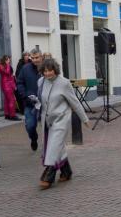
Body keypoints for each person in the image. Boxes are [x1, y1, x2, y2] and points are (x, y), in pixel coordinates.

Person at [38, 58, 90, 190]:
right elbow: (41, 100)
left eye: (50, 70)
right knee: (57, 147)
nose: (48, 73)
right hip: (47, 120)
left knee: (54, 146)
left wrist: (84, 119)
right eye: (45, 71)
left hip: (61, 119)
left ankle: (48, 176)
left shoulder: (64, 83)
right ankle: (66, 171)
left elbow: (75, 102)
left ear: (55, 70)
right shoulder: (41, 82)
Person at [17, 49, 43, 151]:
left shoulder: (47, 68)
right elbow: (19, 83)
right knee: (30, 126)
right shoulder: (25, 68)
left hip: (45, 104)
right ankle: (33, 138)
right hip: (30, 104)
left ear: (41, 57)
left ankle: (49, 149)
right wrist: (25, 95)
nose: (35, 60)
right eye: (33, 58)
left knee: (49, 128)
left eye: (37, 57)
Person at [0, 56, 20, 120]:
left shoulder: (2, 66)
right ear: (5, 60)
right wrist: (8, 65)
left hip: (6, 84)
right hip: (7, 84)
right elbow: (7, 73)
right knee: (11, 100)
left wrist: (14, 85)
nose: (9, 61)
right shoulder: (3, 66)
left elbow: (10, 76)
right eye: (8, 60)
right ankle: (12, 115)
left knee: (7, 100)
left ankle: (7, 114)